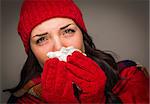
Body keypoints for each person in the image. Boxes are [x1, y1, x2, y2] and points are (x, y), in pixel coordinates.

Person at [5, 0, 149, 103]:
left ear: (83, 35)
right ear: (32, 52)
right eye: (41, 39)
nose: (59, 47)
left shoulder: (130, 76)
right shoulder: (24, 101)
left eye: (68, 31)